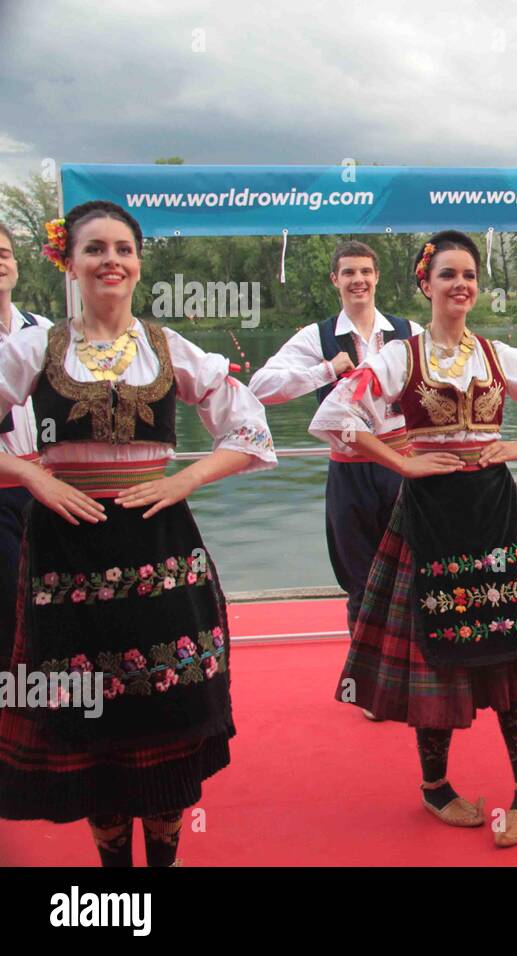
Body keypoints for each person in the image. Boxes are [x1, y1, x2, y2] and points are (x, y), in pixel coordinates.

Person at [0, 201, 277, 864]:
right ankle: (116, 876)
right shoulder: (35, 347)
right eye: (95, 249)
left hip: (160, 547)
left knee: (169, 708)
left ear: (139, 262)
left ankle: (162, 864)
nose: (111, 261)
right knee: (91, 716)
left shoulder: (167, 347)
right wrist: (33, 476)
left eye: (123, 249)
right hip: (68, 555)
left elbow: (249, 428)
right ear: (68, 261)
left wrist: (186, 480)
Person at [310, 230, 517, 847]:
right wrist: (400, 461)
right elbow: (332, 417)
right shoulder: (398, 357)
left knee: (513, 650)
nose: (460, 284)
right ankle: (435, 787)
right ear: (424, 284)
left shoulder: (498, 355)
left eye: (469, 275)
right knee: (432, 655)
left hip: (494, 515)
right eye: (448, 275)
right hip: (427, 518)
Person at [250, 241, 413, 637]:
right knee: (359, 579)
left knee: (411, 572)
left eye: (365, 272)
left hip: (401, 465)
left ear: (377, 277)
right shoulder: (316, 336)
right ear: (335, 280)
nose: (358, 280)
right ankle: (365, 680)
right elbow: (259, 387)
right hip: (349, 469)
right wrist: (325, 370)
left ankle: (412, 675)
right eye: (349, 273)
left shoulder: (408, 331)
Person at [0, 221, 53, 665]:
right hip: (4, 485)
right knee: (6, 612)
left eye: (4, 252)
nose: (0, 259)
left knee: (48, 606)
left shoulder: (41, 329)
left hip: (46, 487)